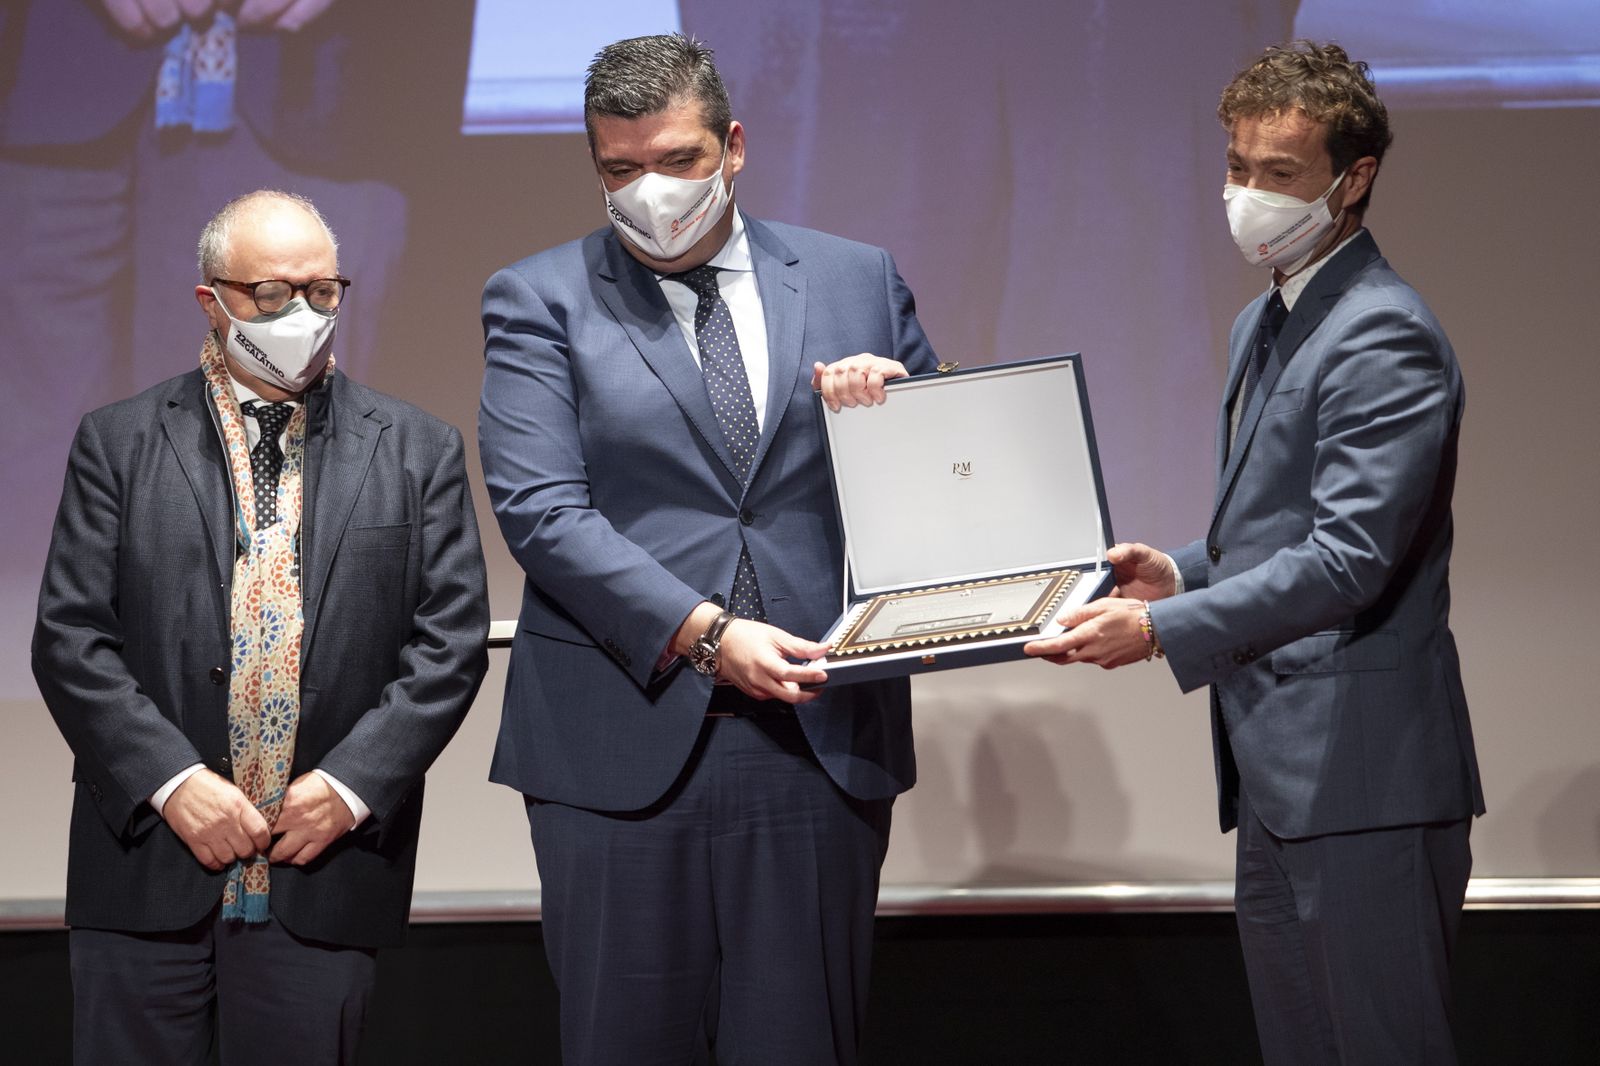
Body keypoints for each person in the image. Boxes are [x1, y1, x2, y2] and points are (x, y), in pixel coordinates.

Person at [478, 33, 939, 1065]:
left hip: (817, 731)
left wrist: (903, 414)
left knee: (801, 1041)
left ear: (732, 146)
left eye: (677, 160)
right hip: (619, 731)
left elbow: (945, 473)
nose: (651, 190)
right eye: (620, 169)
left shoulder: (853, 275)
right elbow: (541, 509)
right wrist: (702, 632)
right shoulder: (537, 296)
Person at [1026, 42, 1484, 1064]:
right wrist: (1184, 569)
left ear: (1351, 177)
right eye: (1236, 166)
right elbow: (1281, 525)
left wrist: (1159, 628)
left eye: (1277, 174)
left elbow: (1350, 558)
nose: (1245, 195)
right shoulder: (1263, 319)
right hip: (1280, 770)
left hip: (1364, 780)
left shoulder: (1382, 335)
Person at [32, 189, 489, 1065]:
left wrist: (353, 785)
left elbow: (449, 641)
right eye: (273, 295)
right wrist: (171, 782)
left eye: (323, 292)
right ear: (213, 301)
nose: (303, 316)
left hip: (326, 866)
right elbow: (70, 639)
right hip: (146, 864)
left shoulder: (416, 446)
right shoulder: (118, 441)